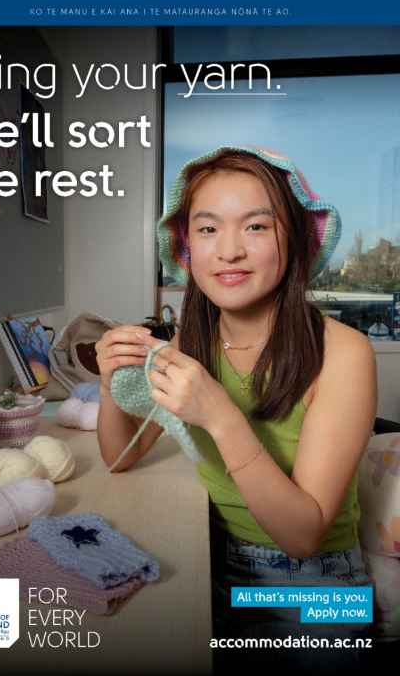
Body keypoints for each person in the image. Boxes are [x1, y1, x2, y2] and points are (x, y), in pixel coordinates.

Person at [95, 147, 378, 674]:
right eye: (207, 230)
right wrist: (112, 382)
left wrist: (220, 415)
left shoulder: (344, 353)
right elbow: (118, 459)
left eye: (255, 227)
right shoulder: (188, 342)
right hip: (210, 557)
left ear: (293, 240)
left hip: (317, 586)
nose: (229, 251)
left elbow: (303, 535)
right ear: (186, 248)